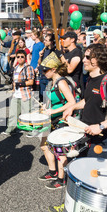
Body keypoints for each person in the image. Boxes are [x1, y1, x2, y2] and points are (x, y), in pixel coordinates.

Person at [63, 43, 107, 162]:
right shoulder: (90, 79)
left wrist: (101, 126)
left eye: (88, 57)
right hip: (87, 134)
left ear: (99, 60)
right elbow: (88, 100)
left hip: (105, 139)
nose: (84, 60)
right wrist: (72, 107)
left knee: (96, 176)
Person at [37, 52, 77, 190]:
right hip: (51, 118)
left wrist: (53, 111)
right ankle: (52, 171)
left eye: (45, 70)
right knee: (44, 145)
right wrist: (45, 107)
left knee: (60, 151)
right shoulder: (51, 82)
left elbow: (72, 102)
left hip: (61, 119)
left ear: (53, 70)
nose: (43, 72)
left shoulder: (62, 82)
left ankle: (62, 179)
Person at [1, 49, 35, 136]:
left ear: (25, 58)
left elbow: (31, 82)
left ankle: (31, 130)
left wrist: (20, 83)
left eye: (22, 57)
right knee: (13, 114)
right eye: (18, 57)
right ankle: (10, 129)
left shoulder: (28, 68)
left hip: (25, 94)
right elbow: (13, 81)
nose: (20, 58)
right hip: (16, 95)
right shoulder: (16, 68)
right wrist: (13, 90)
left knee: (27, 114)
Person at [60, 31, 84, 96]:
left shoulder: (77, 52)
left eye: (65, 39)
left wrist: (61, 56)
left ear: (72, 40)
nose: (63, 41)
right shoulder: (66, 53)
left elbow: (70, 70)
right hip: (65, 85)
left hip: (73, 86)